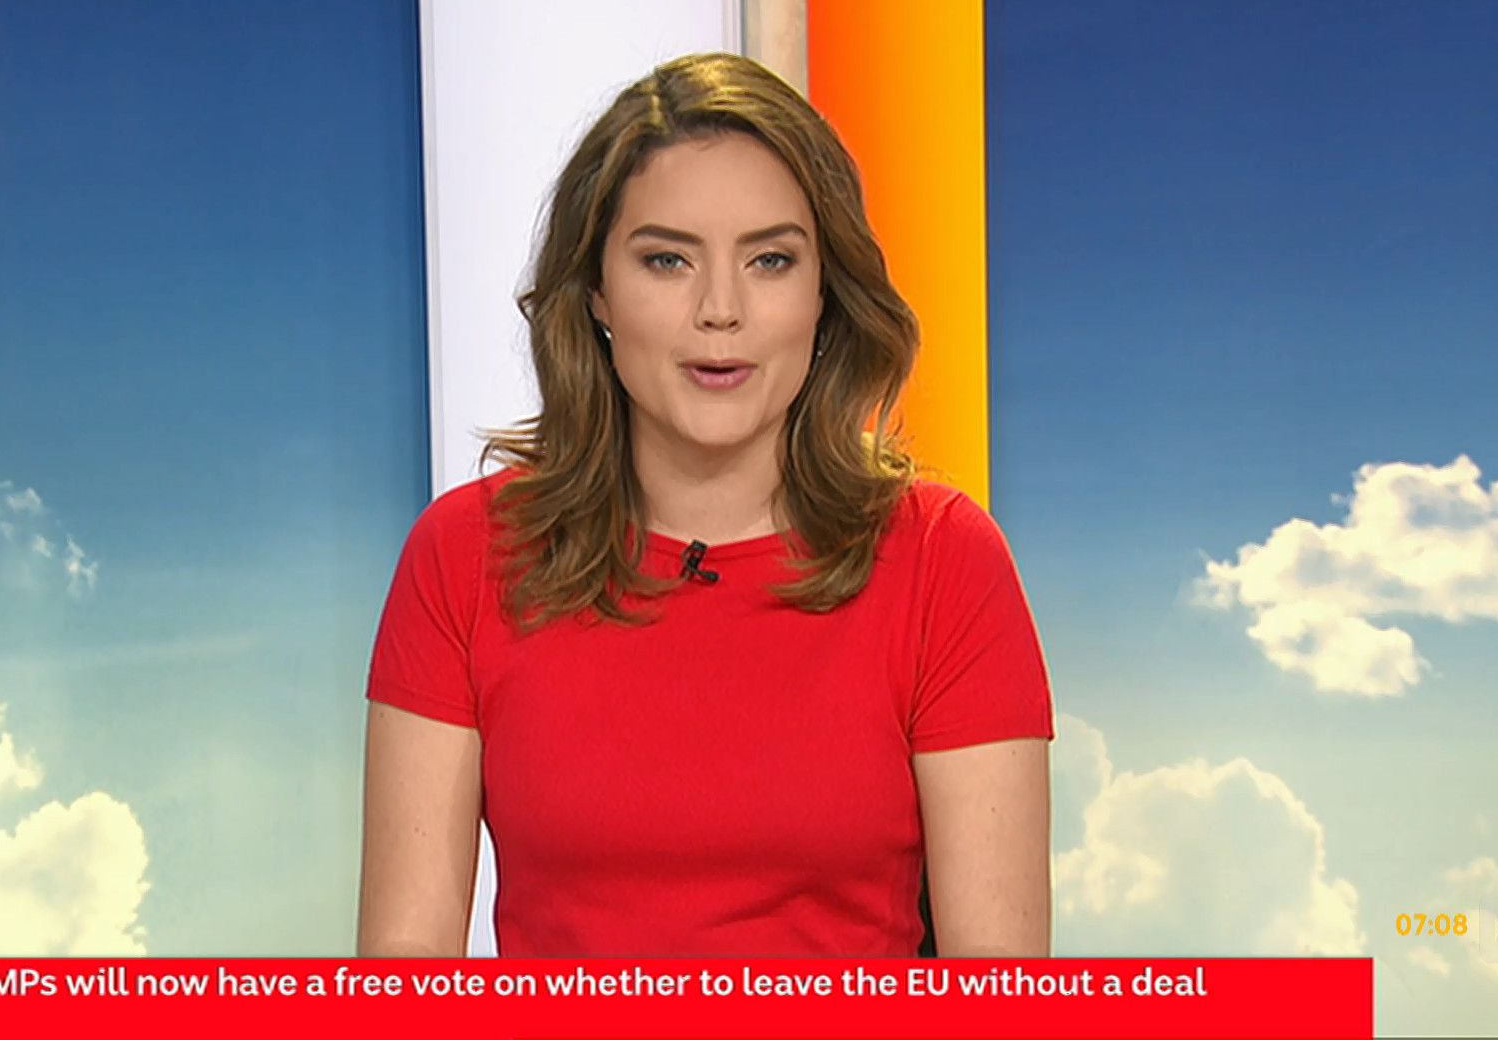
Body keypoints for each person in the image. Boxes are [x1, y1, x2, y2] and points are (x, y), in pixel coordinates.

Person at [357, 51, 1053, 958]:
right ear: (597, 292)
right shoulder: (465, 554)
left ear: (823, 293)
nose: (720, 310)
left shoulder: (943, 561)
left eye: (770, 260)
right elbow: (402, 986)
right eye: (667, 260)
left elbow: (999, 995)